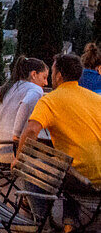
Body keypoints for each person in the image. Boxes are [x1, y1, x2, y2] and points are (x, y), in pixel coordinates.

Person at [17, 53, 101, 223]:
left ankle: (43, 223)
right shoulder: (96, 99)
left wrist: (19, 158)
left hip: (82, 181)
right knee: (68, 161)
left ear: (59, 75)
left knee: (32, 166)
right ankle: (70, 222)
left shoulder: (50, 100)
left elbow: (32, 131)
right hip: (97, 176)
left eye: (53, 72)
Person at [0, 56, 48, 163]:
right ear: (34, 74)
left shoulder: (7, 87)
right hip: (12, 151)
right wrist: (16, 135)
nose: (46, 83)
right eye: (44, 77)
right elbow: (26, 104)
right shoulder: (36, 90)